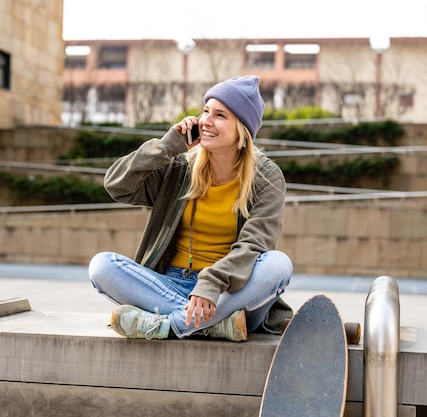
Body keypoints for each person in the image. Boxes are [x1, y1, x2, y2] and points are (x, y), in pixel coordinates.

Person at [88, 76, 293, 342]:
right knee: (101, 265)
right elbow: (117, 184)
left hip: (230, 291)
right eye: (206, 110)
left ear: (242, 129)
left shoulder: (266, 177)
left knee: (278, 264)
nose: (206, 120)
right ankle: (213, 325)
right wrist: (166, 147)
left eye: (220, 115)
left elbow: (254, 245)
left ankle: (169, 326)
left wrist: (211, 283)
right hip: (169, 283)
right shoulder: (181, 169)